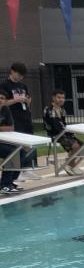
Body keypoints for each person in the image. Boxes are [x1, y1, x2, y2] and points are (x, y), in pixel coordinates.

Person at [0, 62, 34, 194]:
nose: (20, 78)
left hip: (22, 118)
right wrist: (17, 100)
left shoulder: (22, 86)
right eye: (19, 74)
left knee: (21, 150)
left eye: (22, 76)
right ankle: (5, 183)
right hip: (14, 119)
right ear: (12, 71)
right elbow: (5, 102)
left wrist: (27, 101)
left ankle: (10, 181)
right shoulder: (4, 86)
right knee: (14, 151)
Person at [43, 91, 83, 175]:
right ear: (53, 98)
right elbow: (55, 125)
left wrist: (69, 132)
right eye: (59, 97)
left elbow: (63, 124)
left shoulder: (62, 110)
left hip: (63, 133)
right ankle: (69, 165)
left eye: (62, 98)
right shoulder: (49, 110)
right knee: (75, 146)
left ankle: (70, 165)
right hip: (55, 134)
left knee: (83, 146)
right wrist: (66, 132)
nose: (61, 100)